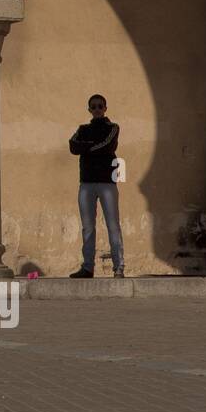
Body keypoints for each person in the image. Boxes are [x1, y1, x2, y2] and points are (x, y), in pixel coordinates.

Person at [69, 94, 124, 279]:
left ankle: (119, 266)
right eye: (94, 106)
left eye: (100, 106)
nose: (97, 109)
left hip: (107, 183)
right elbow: (72, 146)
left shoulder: (112, 127)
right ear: (89, 110)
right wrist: (93, 148)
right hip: (86, 183)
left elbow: (108, 146)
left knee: (113, 224)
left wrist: (87, 148)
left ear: (105, 108)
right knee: (88, 227)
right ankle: (87, 267)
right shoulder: (82, 129)